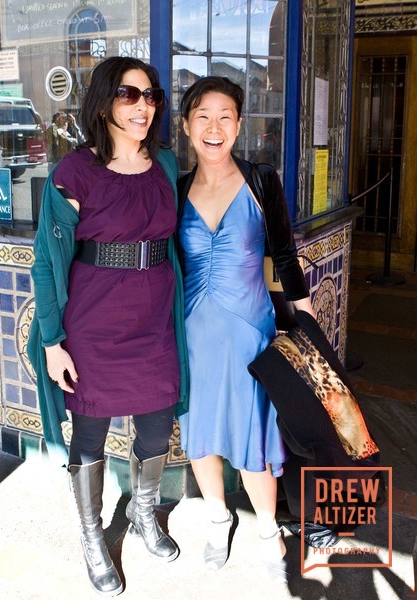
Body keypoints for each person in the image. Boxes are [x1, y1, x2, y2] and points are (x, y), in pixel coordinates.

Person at [27, 57, 188, 597]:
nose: (143, 106)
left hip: (156, 323)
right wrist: (52, 342)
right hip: (93, 328)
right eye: (129, 94)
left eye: (151, 96)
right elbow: (47, 264)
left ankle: (143, 514)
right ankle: (92, 534)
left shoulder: (165, 164)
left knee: (155, 424)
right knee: (91, 433)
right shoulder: (73, 172)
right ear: (103, 101)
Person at [177, 76, 314, 579]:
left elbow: (284, 253)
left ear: (238, 125)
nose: (214, 127)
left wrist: (307, 320)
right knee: (202, 434)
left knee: (254, 439)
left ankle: (264, 527)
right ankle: (217, 519)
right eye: (203, 117)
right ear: (187, 126)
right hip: (192, 336)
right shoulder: (175, 189)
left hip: (250, 336)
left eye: (225, 117)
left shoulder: (261, 181)